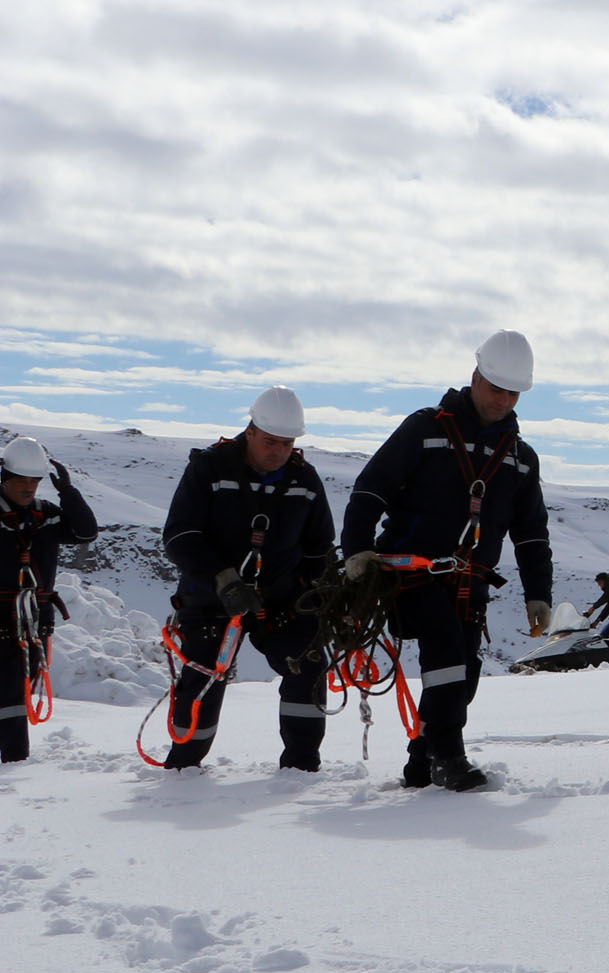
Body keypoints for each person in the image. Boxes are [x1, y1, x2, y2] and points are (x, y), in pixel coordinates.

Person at [340, 333, 555, 792]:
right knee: (444, 650)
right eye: (496, 388)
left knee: (465, 672)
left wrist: (539, 592)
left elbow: (532, 531)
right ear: (475, 378)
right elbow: (371, 487)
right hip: (409, 572)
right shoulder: (424, 429)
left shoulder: (520, 457)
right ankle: (448, 758)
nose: (504, 399)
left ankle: (422, 758)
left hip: (468, 580)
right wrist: (357, 548)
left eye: (513, 393)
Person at [157, 387, 335, 771]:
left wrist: (321, 594)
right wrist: (221, 579)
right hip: (211, 598)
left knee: (307, 662)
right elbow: (180, 535)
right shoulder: (210, 469)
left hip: (282, 599)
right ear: (250, 431)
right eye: (271, 442)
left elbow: (319, 546)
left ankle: (302, 768)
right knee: (204, 675)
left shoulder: (305, 479)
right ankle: (184, 767)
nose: (279, 452)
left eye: (287, 444)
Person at [2, 434, 99, 764]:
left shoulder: (48, 515)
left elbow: (86, 532)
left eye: (35, 480)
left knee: (22, 689)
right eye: (21, 480)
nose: (29, 487)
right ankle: (14, 761)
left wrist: (67, 492)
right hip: (4, 617)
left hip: (35, 620)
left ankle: (12, 759)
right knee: (11, 692)